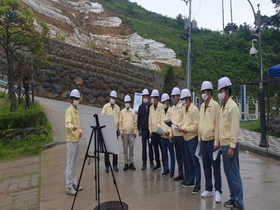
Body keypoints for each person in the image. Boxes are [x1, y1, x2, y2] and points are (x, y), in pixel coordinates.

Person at [217, 77, 244, 210]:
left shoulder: (232, 107)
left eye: (220, 90)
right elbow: (223, 128)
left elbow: (234, 129)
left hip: (231, 145)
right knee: (228, 174)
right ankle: (233, 198)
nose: (219, 93)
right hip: (225, 145)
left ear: (226, 90)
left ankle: (239, 203)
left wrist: (232, 147)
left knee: (234, 175)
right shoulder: (224, 107)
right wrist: (222, 144)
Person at [198, 81, 222, 203]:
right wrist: (199, 139)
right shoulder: (202, 106)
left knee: (215, 167)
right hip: (203, 140)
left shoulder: (215, 106)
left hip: (213, 141)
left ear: (209, 92)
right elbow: (200, 123)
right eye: (202, 92)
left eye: (204, 92)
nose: (203, 94)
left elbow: (218, 125)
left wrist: (217, 142)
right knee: (206, 166)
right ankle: (209, 188)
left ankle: (218, 190)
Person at [179, 89, 201, 195]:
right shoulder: (184, 109)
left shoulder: (195, 109)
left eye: (183, 99)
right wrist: (179, 126)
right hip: (185, 137)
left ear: (188, 98)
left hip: (192, 138)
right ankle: (191, 181)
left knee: (194, 161)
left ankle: (198, 184)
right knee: (188, 161)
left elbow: (196, 125)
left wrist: (186, 129)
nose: (182, 101)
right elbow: (184, 121)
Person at [65, 89, 83, 195]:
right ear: (71, 100)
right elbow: (67, 123)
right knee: (70, 164)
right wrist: (73, 127)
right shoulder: (69, 110)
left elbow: (78, 124)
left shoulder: (76, 110)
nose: (76, 100)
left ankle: (73, 183)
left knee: (75, 163)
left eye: (78, 99)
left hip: (77, 140)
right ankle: (68, 186)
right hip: (71, 141)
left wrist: (79, 131)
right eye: (75, 99)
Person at [169, 87, 188, 183]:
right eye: (172, 96)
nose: (173, 98)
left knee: (184, 156)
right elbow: (171, 122)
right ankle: (180, 173)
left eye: (174, 96)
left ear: (178, 96)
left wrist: (179, 125)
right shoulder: (172, 108)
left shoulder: (183, 106)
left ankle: (186, 175)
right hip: (175, 135)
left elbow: (184, 120)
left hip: (181, 134)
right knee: (178, 156)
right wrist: (171, 135)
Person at [101, 90, 120, 173]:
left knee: (115, 149)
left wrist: (119, 129)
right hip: (107, 131)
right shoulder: (105, 107)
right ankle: (107, 166)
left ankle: (115, 165)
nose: (113, 99)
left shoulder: (117, 108)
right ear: (110, 97)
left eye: (114, 98)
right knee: (107, 150)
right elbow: (102, 117)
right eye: (112, 97)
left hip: (115, 131)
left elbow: (119, 120)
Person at [137, 89, 154, 170]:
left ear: (149, 97)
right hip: (143, 130)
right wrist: (138, 129)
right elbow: (139, 119)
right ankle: (144, 163)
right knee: (144, 147)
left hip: (150, 130)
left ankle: (152, 162)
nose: (145, 98)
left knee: (151, 147)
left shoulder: (151, 106)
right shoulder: (140, 107)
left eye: (146, 96)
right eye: (144, 96)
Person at [119, 95, 137, 171]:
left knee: (131, 148)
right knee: (125, 148)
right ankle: (126, 163)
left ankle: (131, 162)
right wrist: (121, 132)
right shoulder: (122, 112)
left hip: (131, 133)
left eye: (128, 102)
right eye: (125, 102)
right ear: (124, 103)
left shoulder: (133, 112)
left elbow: (135, 123)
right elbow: (120, 123)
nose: (127, 103)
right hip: (125, 133)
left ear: (130, 103)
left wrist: (135, 132)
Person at [160, 93, 175, 177]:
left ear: (168, 102)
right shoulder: (161, 111)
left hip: (169, 136)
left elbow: (172, 123)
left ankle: (172, 170)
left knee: (171, 154)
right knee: (164, 154)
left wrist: (169, 132)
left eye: (164, 102)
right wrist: (160, 130)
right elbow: (159, 122)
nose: (163, 103)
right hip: (162, 135)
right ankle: (166, 169)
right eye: (162, 102)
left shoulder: (171, 110)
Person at [149, 89, 163, 172]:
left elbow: (162, 119)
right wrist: (150, 130)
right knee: (155, 149)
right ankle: (158, 164)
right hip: (153, 132)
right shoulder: (151, 107)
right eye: (152, 97)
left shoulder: (161, 106)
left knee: (162, 149)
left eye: (153, 97)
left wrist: (160, 129)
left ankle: (165, 165)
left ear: (157, 98)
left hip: (160, 132)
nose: (152, 99)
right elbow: (149, 120)